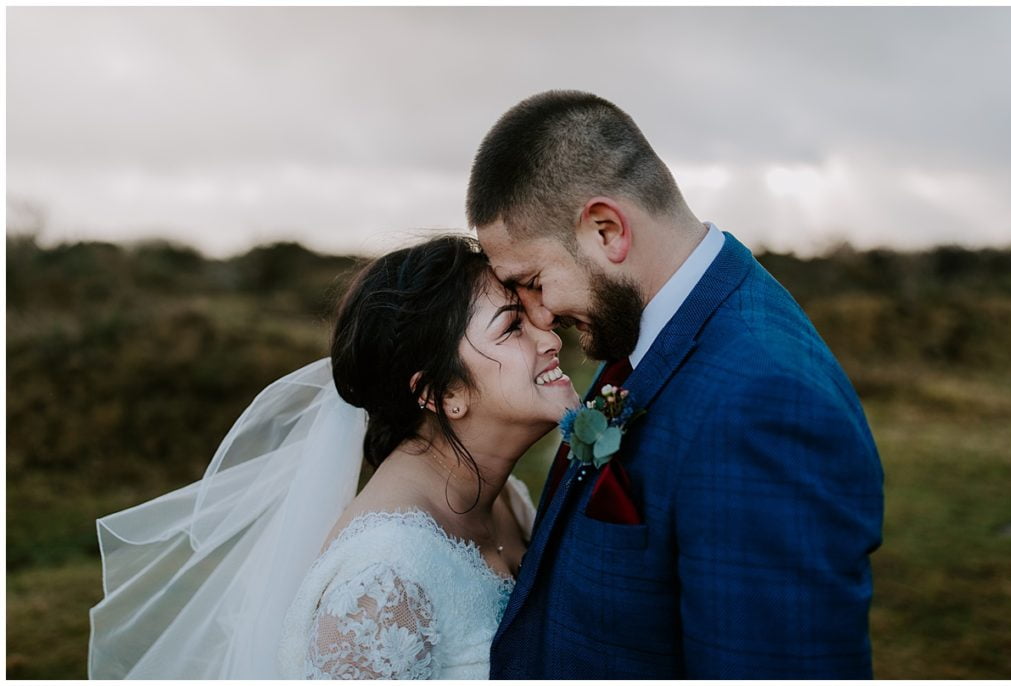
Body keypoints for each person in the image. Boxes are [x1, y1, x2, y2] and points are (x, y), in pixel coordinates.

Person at [468, 90, 885, 679]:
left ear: (607, 229)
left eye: (534, 280)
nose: (540, 314)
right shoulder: (651, 331)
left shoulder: (763, 406)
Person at [88, 235, 579, 679]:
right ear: (439, 391)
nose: (551, 338)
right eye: (513, 327)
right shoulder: (382, 578)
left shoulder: (504, 501)